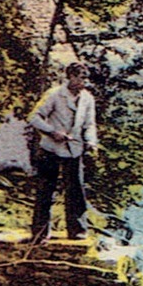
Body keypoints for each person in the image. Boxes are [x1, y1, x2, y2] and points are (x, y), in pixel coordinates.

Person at [27, 62, 99, 241]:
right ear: (71, 77)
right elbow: (34, 117)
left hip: (74, 149)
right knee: (46, 190)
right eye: (81, 77)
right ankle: (40, 233)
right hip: (50, 148)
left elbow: (90, 124)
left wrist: (91, 141)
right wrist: (52, 132)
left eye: (86, 78)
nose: (84, 81)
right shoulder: (54, 94)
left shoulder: (87, 98)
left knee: (76, 190)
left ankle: (77, 231)